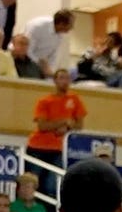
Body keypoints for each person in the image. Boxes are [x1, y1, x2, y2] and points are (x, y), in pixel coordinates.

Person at [26, 70, 86, 199]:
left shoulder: (74, 99)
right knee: (33, 182)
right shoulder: (44, 101)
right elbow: (42, 126)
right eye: (61, 78)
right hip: (38, 147)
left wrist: (68, 127)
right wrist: (64, 122)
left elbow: (79, 125)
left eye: (67, 78)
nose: (65, 81)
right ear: (55, 81)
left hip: (59, 149)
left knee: (52, 184)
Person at [23, 10, 75, 78]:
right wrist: (41, 64)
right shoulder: (38, 26)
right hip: (24, 62)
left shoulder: (60, 34)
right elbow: (27, 51)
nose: (72, 27)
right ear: (61, 24)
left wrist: (50, 72)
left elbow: (53, 55)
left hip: (39, 65)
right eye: (71, 25)